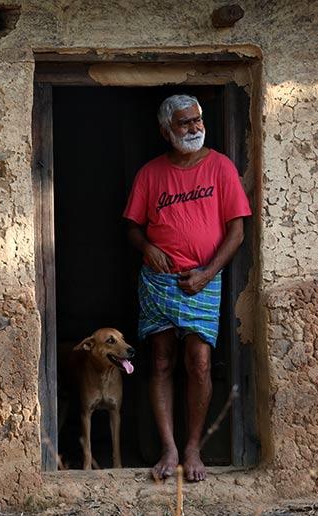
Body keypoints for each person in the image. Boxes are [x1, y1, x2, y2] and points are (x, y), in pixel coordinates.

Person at [123, 94, 251, 482]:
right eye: (184, 123)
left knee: (198, 362)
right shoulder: (150, 174)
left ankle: (193, 448)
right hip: (159, 280)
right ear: (166, 131)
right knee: (161, 361)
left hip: (203, 279)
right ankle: (168, 448)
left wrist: (209, 273)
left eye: (197, 120)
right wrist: (147, 247)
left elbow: (237, 232)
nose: (195, 127)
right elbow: (132, 227)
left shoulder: (221, 168)